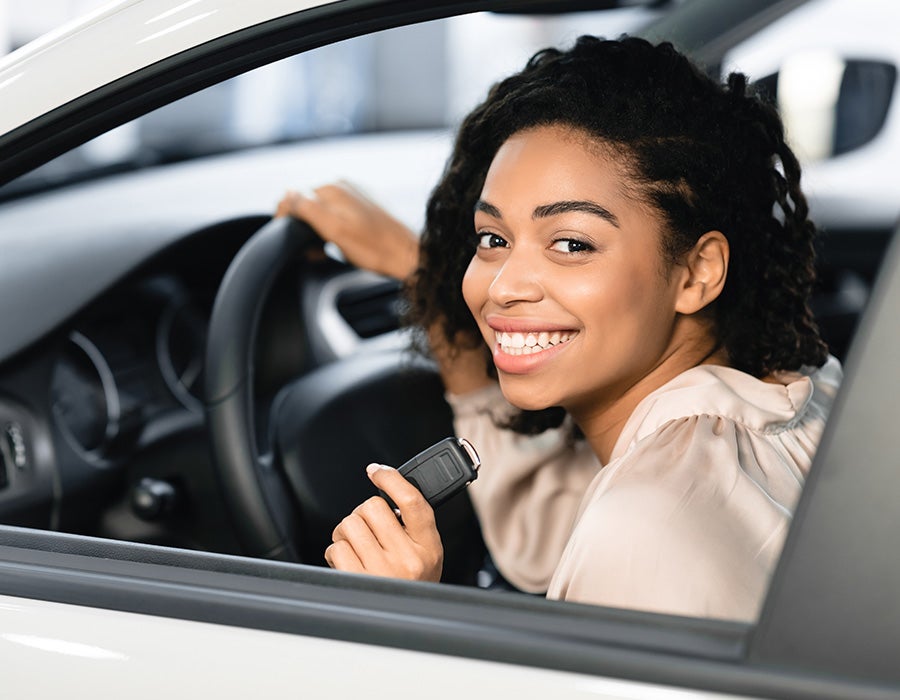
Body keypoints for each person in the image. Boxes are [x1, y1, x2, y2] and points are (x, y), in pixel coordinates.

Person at [276, 36, 841, 622]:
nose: (502, 288)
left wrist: (406, 626)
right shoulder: (798, 392)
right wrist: (426, 275)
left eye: (571, 244)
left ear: (697, 273)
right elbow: (542, 532)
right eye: (492, 240)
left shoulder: (640, 531)